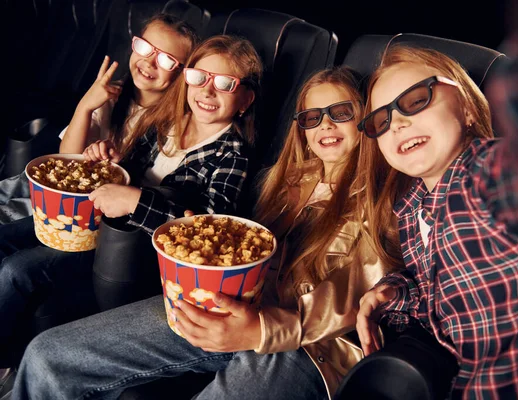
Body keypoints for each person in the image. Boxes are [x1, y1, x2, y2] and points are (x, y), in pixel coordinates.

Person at [11, 66, 391, 400]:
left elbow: (359, 288)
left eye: (340, 113)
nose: (324, 124)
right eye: (311, 117)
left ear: (366, 119)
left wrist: (265, 329)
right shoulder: (288, 181)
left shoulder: (384, 197)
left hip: (309, 347)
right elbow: (244, 249)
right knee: (49, 355)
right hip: (230, 305)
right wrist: (203, 240)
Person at [0, 33, 261, 375]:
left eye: (226, 84)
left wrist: (136, 201)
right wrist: (110, 160)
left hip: (128, 252)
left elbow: (210, 229)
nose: (207, 91)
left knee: (17, 271)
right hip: (96, 220)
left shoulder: (232, 153)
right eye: (199, 77)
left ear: (245, 100)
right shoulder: (166, 122)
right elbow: (130, 169)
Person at [353, 45, 518, 398]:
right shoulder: (409, 212)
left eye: (416, 100)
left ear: (467, 108)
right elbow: (444, 301)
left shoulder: (489, 172)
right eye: (381, 120)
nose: (398, 123)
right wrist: (394, 293)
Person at [0, 12, 199, 224]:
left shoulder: (177, 125)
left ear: (182, 73)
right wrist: (85, 106)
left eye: (166, 60)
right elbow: (67, 157)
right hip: (67, 181)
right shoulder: (112, 94)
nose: (149, 62)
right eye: (144, 47)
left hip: (89, 206)